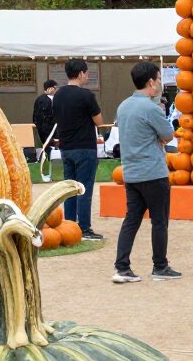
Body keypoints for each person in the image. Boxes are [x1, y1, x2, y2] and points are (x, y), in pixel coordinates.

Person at [111, 61, 181, 285]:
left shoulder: (123, 106)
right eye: (159, 79)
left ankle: (122, 267)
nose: (160, 82)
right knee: (159, 221)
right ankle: (160, 266)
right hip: (153, 172)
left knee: (131, 220)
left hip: (131, 172)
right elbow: (169, 134)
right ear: (151, 82)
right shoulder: (151, 108)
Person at [52, 59, 103, 241]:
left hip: (66, 146)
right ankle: (84, 228)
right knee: (84, 188)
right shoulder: (86, 96)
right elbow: (99, 120)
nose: (87, 76)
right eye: (86, 72)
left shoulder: (58, 95)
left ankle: (70, 224)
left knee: (70, 188)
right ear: (81, 73)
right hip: (85, 146)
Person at [32, 78, 57, 149]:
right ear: (50, 88)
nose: (56, 89)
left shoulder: (56, 98)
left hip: (55, 128)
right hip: (46, 129)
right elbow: (38, 116)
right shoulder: (42, 100)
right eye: (54, 87)